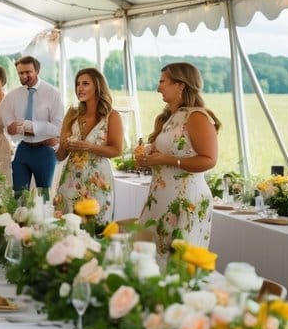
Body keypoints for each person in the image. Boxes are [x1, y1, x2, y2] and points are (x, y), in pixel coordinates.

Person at [136, 62, 221, 254]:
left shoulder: (196, 117)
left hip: (185, 201)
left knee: (178, 264)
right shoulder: (171, 117)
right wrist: (147, 157)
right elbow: (167, 153)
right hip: (161, 198)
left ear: (180, 85)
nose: (158, 87)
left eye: (163, 82)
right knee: (151, 259)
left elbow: (209, 159)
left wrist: (167, 160)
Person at [53, 67, 124, 222]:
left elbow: (117, 150)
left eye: (85, 83)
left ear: (98, 86)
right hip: (71, 180)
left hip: (98, 180)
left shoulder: (112, 116)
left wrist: (90, 147)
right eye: (78, 84)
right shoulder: (72, 114)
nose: (80, 88)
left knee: (96, 226)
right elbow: (60, 156)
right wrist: (62, 145)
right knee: (67, 224)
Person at [1, 56, 65, 197]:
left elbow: (58, 128)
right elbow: (9, 126)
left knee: (44, 197)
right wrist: (12, 129)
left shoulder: (53, 94)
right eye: (20, 73)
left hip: (45, 152)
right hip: (23, 149)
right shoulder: (12, 96)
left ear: (37, 70)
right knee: (19, 196)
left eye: (28, 72)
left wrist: (29, 126)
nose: (24, 76)